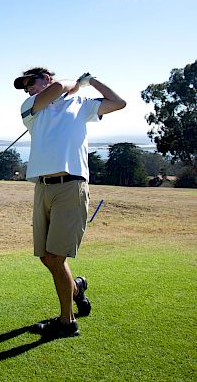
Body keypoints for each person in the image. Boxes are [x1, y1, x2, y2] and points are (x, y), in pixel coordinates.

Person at [14, 67, 126, 338]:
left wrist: (93, 81)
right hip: (42, 187)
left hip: (71, 185)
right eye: (26, 86)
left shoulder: (80, 105)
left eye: (32, 82)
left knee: (56, 256)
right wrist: (75, 83)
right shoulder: (31, 106)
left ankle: (67, 322)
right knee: (46, 257)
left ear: (46, 78)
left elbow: (118, 103)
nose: (28, 88)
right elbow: (56, 90)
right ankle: (76, 289)